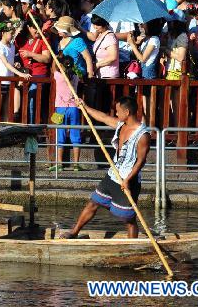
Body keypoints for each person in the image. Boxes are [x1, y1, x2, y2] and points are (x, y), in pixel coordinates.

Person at [62, 97, 151, 239]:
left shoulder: (143, 135)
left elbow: (141, 161)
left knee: (128, 219)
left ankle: (131, 248)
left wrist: (127, 180)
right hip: (113, 175)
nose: (116, 114)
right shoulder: (121, 125)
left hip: (129, 180)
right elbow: (103, 117)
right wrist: (84, 107)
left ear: (127, 112)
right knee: (93, 203)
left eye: (118, 112)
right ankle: (74, 232)